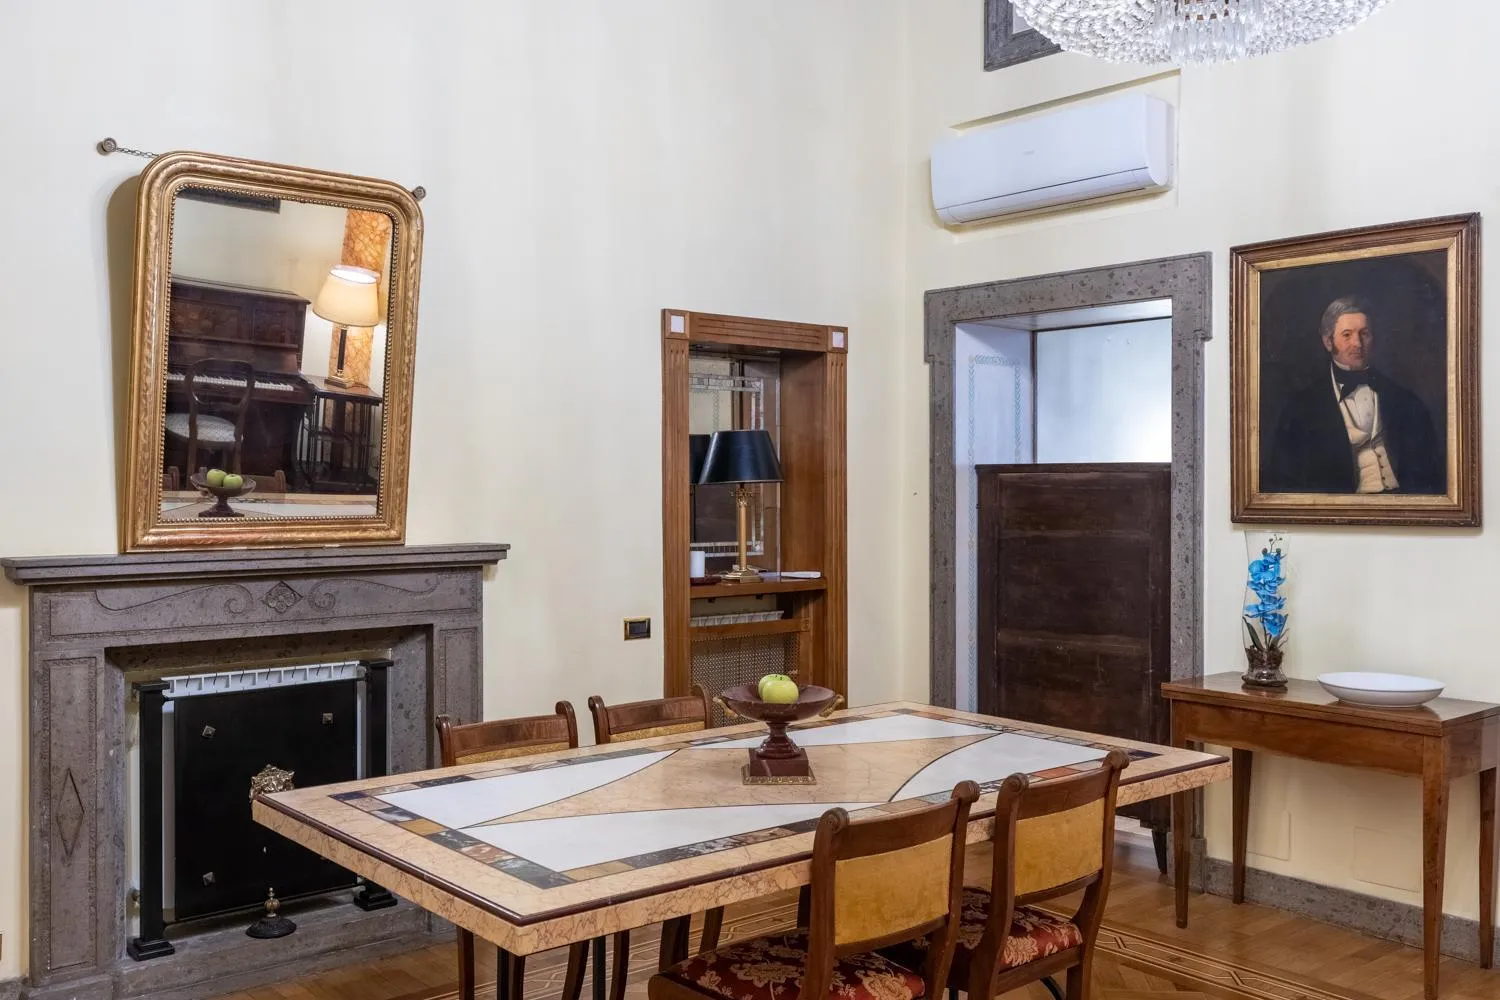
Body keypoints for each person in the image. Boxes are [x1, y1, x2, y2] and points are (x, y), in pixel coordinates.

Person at [1262, 296, 1443, 495]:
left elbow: (1429, 470)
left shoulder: (1405, 400)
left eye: (1364, 334)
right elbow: (1286, 480)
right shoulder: (1300, 408)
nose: (1357, 343)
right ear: (1328, 341)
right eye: (1347, 335)